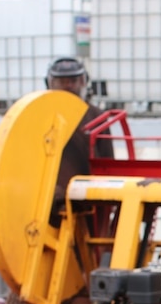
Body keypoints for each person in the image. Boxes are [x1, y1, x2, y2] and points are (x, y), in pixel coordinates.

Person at [45, 56, 113, 224]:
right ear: (49, 83)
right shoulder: (40, 115)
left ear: (84, 82)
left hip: (88, 201)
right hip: (46, 202)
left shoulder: (96, 117)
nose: (68, 86)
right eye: (62, 81)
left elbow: (108, 164)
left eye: (74, 80)